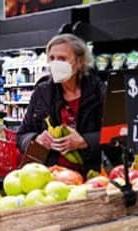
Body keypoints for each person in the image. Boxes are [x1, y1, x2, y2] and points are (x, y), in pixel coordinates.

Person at [17, 34, 105, 174]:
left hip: (90, 174)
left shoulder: (98, 92)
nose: (55, 63)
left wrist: (86, 141)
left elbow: (117, 134)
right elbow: (22, 135)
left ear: (80, 61)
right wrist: (35, 139)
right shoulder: (42, 93)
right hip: (48, 174)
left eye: (62, 58)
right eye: (52, 58)